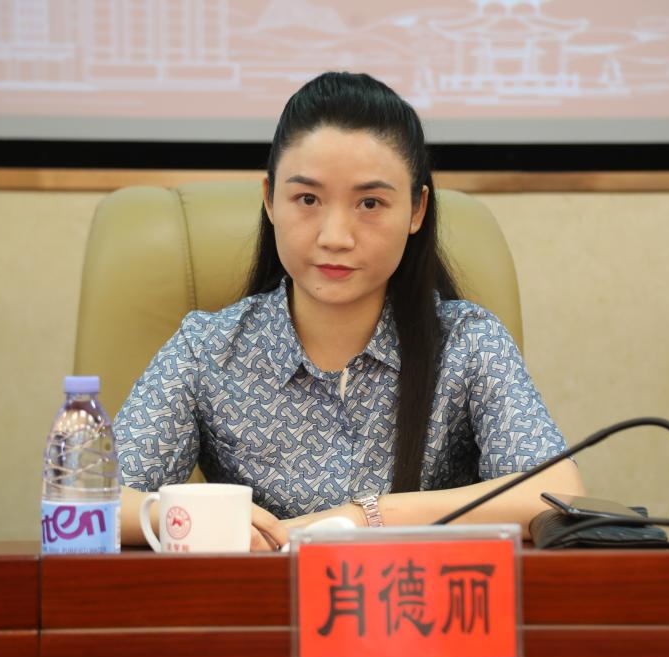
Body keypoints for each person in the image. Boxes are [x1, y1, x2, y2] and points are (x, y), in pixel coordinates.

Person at [114, 72, 584, 550]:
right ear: (270, 200)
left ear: (417, 210)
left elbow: (557, 493)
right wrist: (208, 518)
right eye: (308, 199)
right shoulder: (208, 351)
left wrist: (361, 518)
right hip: (262, 596)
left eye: (370, 203)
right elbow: (91, 503)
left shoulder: (468, 342)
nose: (335, 236)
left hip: (418, 596)